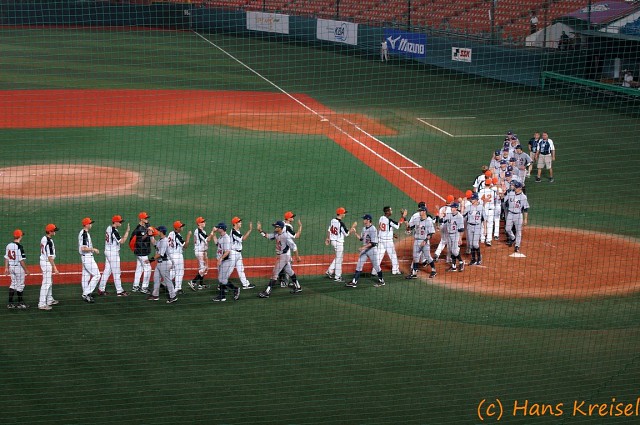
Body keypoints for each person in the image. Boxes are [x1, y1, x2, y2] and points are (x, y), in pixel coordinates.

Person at [256, 220, 302, 298]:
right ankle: (298, 287)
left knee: (274, 274)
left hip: (283, 257)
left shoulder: (286, 236)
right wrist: (260, 230)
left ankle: (267, 292)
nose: (274, 227)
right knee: (290, 271)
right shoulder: (276, 233)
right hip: (282, 256)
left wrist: (297, 257)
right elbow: (267, 236)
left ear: (280, 228)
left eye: (276, 226)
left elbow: (294, 247)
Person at [346, 214, 385, 288]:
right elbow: (361, 238)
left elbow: (373, 243)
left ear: (368, 220)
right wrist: (355, 233)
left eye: (364, 219)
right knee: (359, 265)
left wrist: (363, 248)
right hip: (365, 250)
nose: (363, 220)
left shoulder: (373, 229)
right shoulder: (364, 228)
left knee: (376, 266)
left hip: (372, 250)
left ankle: (381, 280)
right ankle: (354, 281)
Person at [98, 215, 130, 297]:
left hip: (107, 252)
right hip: (113, 254)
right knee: (116, 272)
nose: (121, 223)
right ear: (115, 222)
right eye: (119, 221)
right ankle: (119, 291)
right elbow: (122, 241)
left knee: (107, 271)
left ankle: (101, 289)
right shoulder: (114, 231)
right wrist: (127, 232)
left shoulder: (108, 228)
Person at [405, 206, 437, 279]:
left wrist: (425, 241)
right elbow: (409, 228)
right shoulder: (416, 219)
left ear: (424, 212)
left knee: (428, 257)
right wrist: (404, 218)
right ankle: (414, 273)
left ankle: (434, 270)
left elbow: (431, 233)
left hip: (424, 241)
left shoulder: (429, 221)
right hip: (417, 241)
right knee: (415, 257)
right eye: (419, 211)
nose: (419, 212)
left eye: (420, 211)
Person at [148, 226, 178, 303]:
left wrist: (150, 260)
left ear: (161, 232)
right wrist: (151, 235)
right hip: (160, 263)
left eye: (158, 230)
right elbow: (154, 243)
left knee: (167, 280)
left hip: (165, 263)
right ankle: (155, 295)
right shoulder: (160, 240)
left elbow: (160, 254)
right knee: (156, 279)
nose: (157, 231)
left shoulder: (164, 241)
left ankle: (173, 296)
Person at [211, 222, 240, 302]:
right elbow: (217, 243)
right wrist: (213, 233)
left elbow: (227, 251)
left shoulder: (226, 238)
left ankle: (234, 290)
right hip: (222, 260)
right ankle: (223, 294)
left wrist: (220, 259)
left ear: (221, 229)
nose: (217, 228)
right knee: (222, 279)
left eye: (218, 228)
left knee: (221, 279)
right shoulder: (221, 237)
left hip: (225, 261)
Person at [325, 207, 354, 283]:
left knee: (339, 257)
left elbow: (329, 230)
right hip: (339, 243)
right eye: (344, 213)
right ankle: (337, 277)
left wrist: (328, 238)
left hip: (333, 241)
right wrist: (352, 229)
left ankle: (329, 271)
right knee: (339, 259)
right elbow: (347, 234)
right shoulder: (341, 224)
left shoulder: (332, 220)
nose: (345, 214)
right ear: (341, 214)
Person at [377, 206, 407, 275]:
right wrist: (403, 216)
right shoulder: (389, 221)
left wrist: (392, 234)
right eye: (390, 210)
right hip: (388, 242)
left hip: (381, 240)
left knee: (379, 256)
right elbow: (398, 226)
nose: (391, 211)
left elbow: (384, 229)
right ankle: (395, 270)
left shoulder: (381, 218)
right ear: (387, 212)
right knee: (393, 255)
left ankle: (375, 271)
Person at [188, 216, 215, 291]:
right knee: (203, 268)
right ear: (199, 224)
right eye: (202, 222)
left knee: (203, 267)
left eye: (204, 221)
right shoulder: (199, 231)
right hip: (200, 252)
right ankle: (193, 282)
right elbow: (208, 239)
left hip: (202, 251)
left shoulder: (201, 231)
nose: (204, 222)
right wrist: (213, 232)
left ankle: (200, 284)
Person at [78, 217, 101, 304]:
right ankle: (86, 293)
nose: (91, 224)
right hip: (87, 258)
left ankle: (86, 295)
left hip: (85, 257)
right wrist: (93, 249)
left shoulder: (83, 233)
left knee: (86, 277)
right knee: (97, 275)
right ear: (86, 225)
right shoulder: (84, 234)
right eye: (90, 223)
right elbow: (83, 248)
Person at [5, 229, 29, 309]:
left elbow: (6, 257)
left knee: (13, 284)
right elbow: (21, 260)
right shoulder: (19, 247)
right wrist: (26, 270)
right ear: (20, 236)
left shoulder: (9, 245)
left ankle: (10, 304)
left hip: (11, 267)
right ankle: (20, 303)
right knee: (20, 285)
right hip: (18, 268)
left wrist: (6, 267)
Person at [131, 212, 154, 294]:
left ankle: (135, 286)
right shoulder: (139, 229)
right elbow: (140, 240)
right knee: (148, 269)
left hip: (140, 252)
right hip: (141, 252)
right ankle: (144, 288)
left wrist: (149, 228)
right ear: (141, 219)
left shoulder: (145, 225)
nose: (147, 219)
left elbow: (149, 228)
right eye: (145, 218)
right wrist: (148, 234)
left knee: (139, 268)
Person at [38, 224, 59, 311]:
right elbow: (50, 257)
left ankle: (49, 299)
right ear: (50, 231)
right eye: (54, 230)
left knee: (49, 282)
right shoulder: (49, 242)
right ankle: (42, 304)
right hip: (47, 263)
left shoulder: (44, 238)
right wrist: (55, 268)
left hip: (44, 261)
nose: (55, 231)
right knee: (46, 283)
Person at [230, 216, 254, 290]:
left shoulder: (237, 231)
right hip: (233, 254)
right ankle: (221, 285)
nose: (241, 223)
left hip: (238, 254)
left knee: (241, 269)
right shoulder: (234, 232)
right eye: (239, 222)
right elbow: (243, 238)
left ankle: (245, 284)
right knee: (229, 270)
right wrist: (250, 230)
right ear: (235, 224)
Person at [504, 181, 529, 253]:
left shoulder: (523, 197)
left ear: (520, 188)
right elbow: (505, 200)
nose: (515, 188)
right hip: (510, 213)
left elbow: (526, 209)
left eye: (517, 187)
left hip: (518, 215)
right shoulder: (511, 193)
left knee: (518, 231)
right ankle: (513, 238)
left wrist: (525, 219)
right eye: (515, 187)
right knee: (507, 229)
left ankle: (517, 245)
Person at [168, 220, 191, 295]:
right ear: (177, 228)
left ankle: (164, 283)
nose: (182, 228)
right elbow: (185, 246)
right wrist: (188, 236)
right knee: (180, 272)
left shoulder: (171, 233)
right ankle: (177, 288)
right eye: (181, 226)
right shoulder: (177, 236)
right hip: (177, 256)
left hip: (171, 255)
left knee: (173, 271)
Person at [279, 211, 302, 287]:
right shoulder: (288, 227)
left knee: (285, 263)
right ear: (288, 218)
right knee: (287, 265)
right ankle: (284, 282)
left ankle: (283, 280)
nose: (293, 218)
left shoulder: (282, 223)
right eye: (292, 217)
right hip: (286, 248)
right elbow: (297, 236)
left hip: (280, 245)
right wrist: (300, 227)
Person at [441, 203, 465, 272]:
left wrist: (460, 238)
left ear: (456, 208)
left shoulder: (460, 217)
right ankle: (453, 266)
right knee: (451, 250)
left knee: (454, 251)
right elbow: (442, 221)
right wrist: (442, 216)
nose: (451, 209)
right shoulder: (449, 215)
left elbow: (461, 229)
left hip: (456, 235)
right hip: (449, 235)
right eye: (451, 207)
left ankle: (461, 262)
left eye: (453, 207)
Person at [464, 194, 485, 265]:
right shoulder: (468, 207)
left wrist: (485, 229)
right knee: (470, 244)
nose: (471, 200)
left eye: (472, 199)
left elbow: (484, 219)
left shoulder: (481, 208)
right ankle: (473, 259)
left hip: (477, 226)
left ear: (476, 200)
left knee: (475, 244)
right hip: (469, 226)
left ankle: (479, 257)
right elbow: (462, 214)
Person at [433, 195, 454, 263]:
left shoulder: (441, 209)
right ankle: (449, 258)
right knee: (450, 242)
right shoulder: (452, 209)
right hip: (449, 227)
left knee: (443, 241)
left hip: (442, 226)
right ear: (452, 201)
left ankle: (437, 254)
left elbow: (439, 217)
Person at [478, 178, 498, 246]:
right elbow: (495, 200)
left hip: (483, 210)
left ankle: (482, 238)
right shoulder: (493, 192)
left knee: (482, 224)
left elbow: (479, 202)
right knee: (490, 225)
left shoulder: (481, 191)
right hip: (491, 210)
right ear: (490, 184)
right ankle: (488, 240)